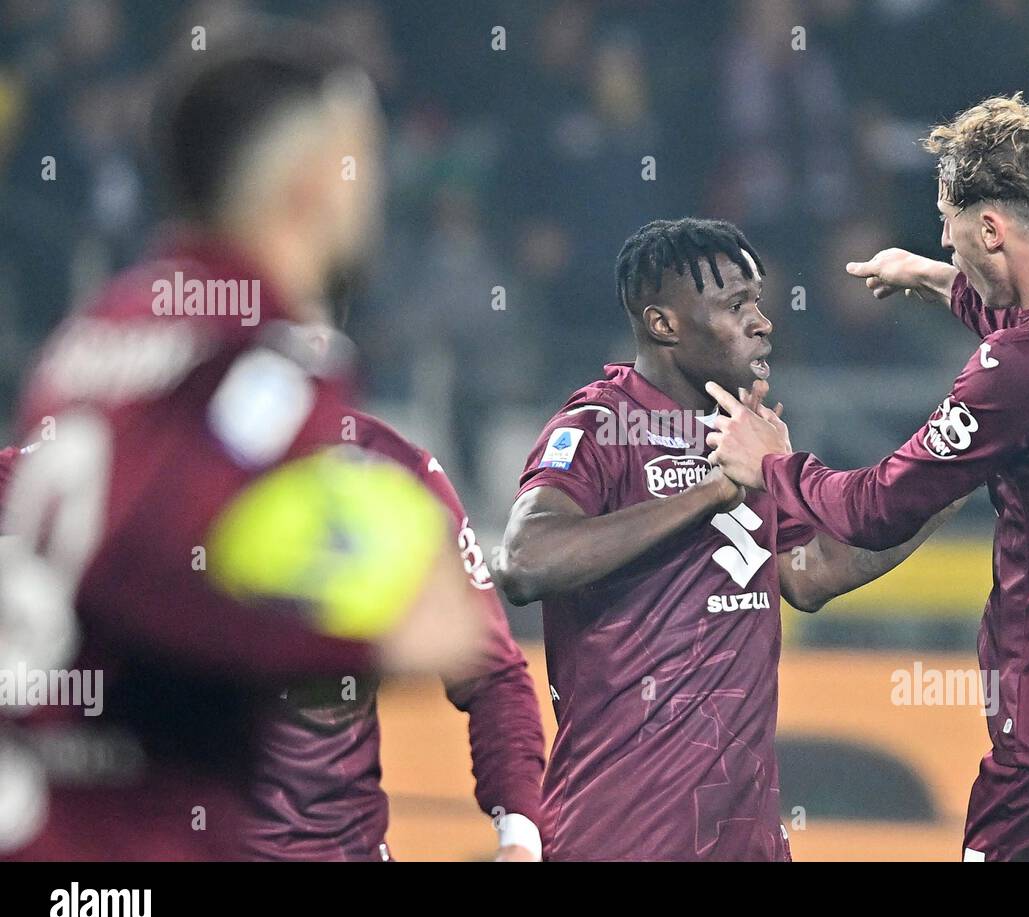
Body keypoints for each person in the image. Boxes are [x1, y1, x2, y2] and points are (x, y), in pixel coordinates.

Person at [707, 95, 1029, 861]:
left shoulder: (1019, 372)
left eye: (948, 230)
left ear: (989, 227)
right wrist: (931, 276)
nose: (947, 245)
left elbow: (878, 506)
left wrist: (774, 465)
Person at [0, 20, 479, 860]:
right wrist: (358, 637)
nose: (372, 185)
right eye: (358, 156)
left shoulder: (99, 328)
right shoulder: (266, 350)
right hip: (123, 851)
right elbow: (142, 556)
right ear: (307, 182)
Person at [494, 217, 959, 861]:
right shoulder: (600, 424)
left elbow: (810, 572)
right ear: (664, 325)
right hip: (621, 836)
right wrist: (711, 492)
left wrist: (953, 481)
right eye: (736, 305)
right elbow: (523, 561)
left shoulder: (746, 431)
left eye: (759, 301)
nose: (763, 321)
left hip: (745, 839)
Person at [244, 411, 547, 862]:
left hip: (340, 849)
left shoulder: (395, 470)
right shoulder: (155, 462)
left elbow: (492, 674)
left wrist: (519, 832)